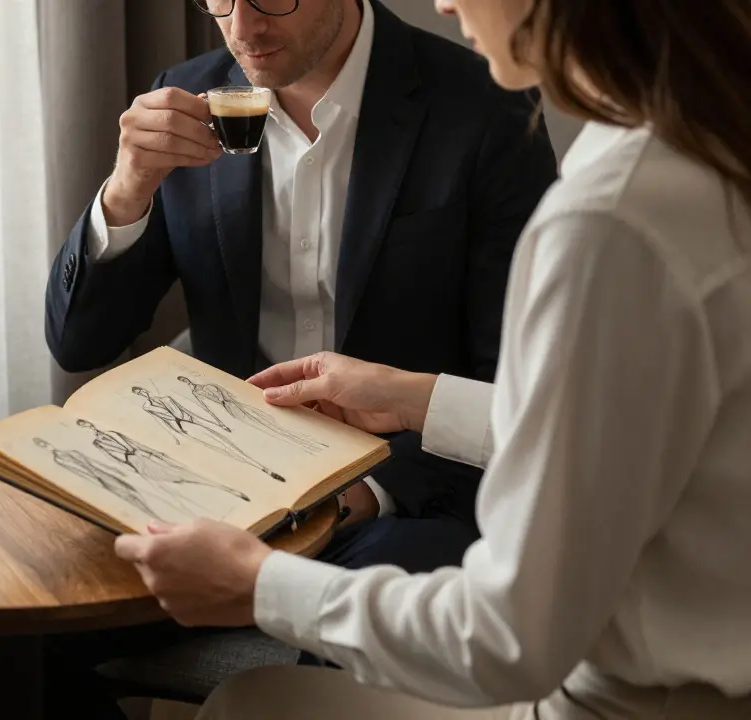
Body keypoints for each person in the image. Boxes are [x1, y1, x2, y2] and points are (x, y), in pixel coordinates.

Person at [113, 0, 751, 716]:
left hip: (618, 699)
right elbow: (623, 429)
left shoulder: (603, 221)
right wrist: (420, 399)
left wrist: (259, 585)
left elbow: (508, 641)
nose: (443, 1)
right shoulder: (690, 145)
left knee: (250, 704)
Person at [41, 0, 557, 714]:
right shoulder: (188, 99)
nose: (241, 28)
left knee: (362, 614)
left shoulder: (487, 107)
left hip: (402, 506)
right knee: (31, 601)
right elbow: (78, 343)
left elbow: (518, 383)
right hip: (215, 499)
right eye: (218, 0)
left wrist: (362, 493)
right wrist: (127, 190)